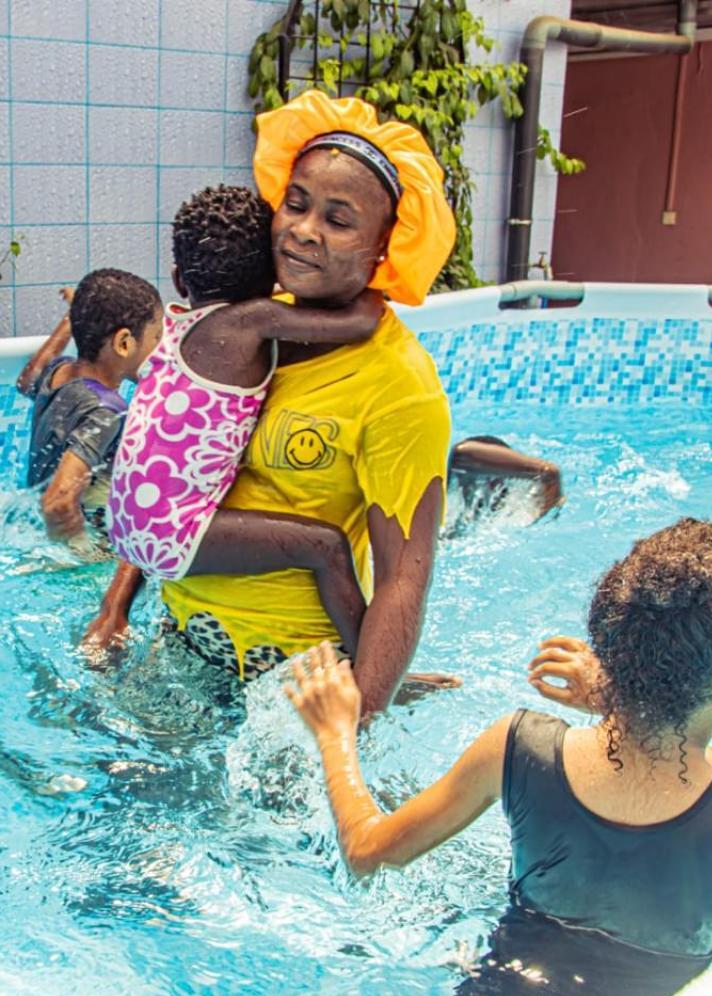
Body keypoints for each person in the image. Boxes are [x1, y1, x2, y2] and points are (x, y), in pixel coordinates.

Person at [284, 518, 712, 996]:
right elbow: (686, 757)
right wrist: (622, 698)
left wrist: (334, 732)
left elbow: (368, 851)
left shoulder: (518, 748)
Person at [86, 91, 459, 712]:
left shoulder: (400, 386)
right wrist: (115, 605)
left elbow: (403, 579)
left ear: (382, 248)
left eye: (339, 221)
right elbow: (165, 474)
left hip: (290, 682)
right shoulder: (241, 332)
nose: (304, 231)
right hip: (180, 645)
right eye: (296, 203)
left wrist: (360, 715)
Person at [101, 184, 390, 654]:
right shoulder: (252, 320)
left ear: (179, 279)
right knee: (327, 547)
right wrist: (381, 274)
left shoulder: (174, 325)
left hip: (125, 532)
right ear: (273, 278)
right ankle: (367, 664)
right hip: (171, 538)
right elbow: (361, 323)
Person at [16, 270, 162, 544]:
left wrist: (72, 317)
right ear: (123, 344)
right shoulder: (105, 412)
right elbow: (57, 503)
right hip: (76, 550)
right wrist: (86, 556)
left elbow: (27, 379)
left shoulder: (58, 372)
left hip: (33, 529)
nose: (161, 348)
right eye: (156, 338)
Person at [447, 435, 564, 535]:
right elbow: (462, 454)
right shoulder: (447, 512)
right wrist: (547, 473)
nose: (491, 484)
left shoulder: (518, 516)